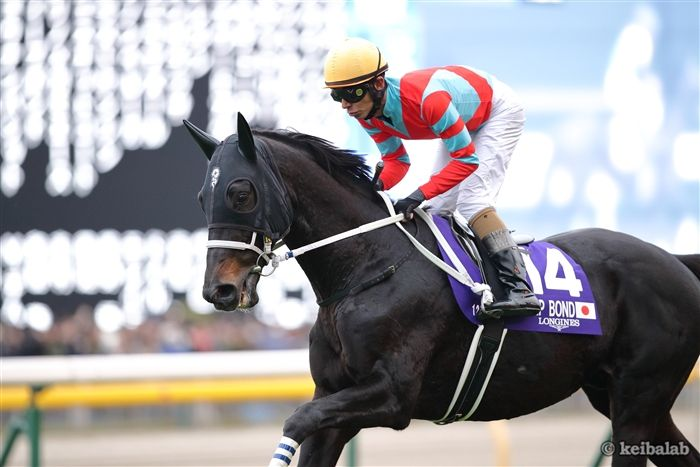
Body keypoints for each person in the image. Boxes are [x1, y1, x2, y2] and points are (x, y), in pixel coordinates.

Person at [323, 37, 540, 319]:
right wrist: (371, 190)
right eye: (337, 96)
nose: (345, 105)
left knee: (473, 200)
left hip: (497, 111)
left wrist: (417, 194)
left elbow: (466, 160)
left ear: (378, 84)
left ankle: (520, 288)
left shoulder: (428, 100)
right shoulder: (366, 114)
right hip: (465, 117)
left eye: (351, 93)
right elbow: (396, 160)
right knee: (436, 211)